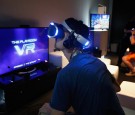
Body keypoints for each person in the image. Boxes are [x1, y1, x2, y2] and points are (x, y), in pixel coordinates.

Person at [38, 18, 125, 115]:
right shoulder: (98, 62)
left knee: (43, 112)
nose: (56, 35)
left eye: (63, 30)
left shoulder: (65, 74)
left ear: (73, 36)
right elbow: (117, 88)